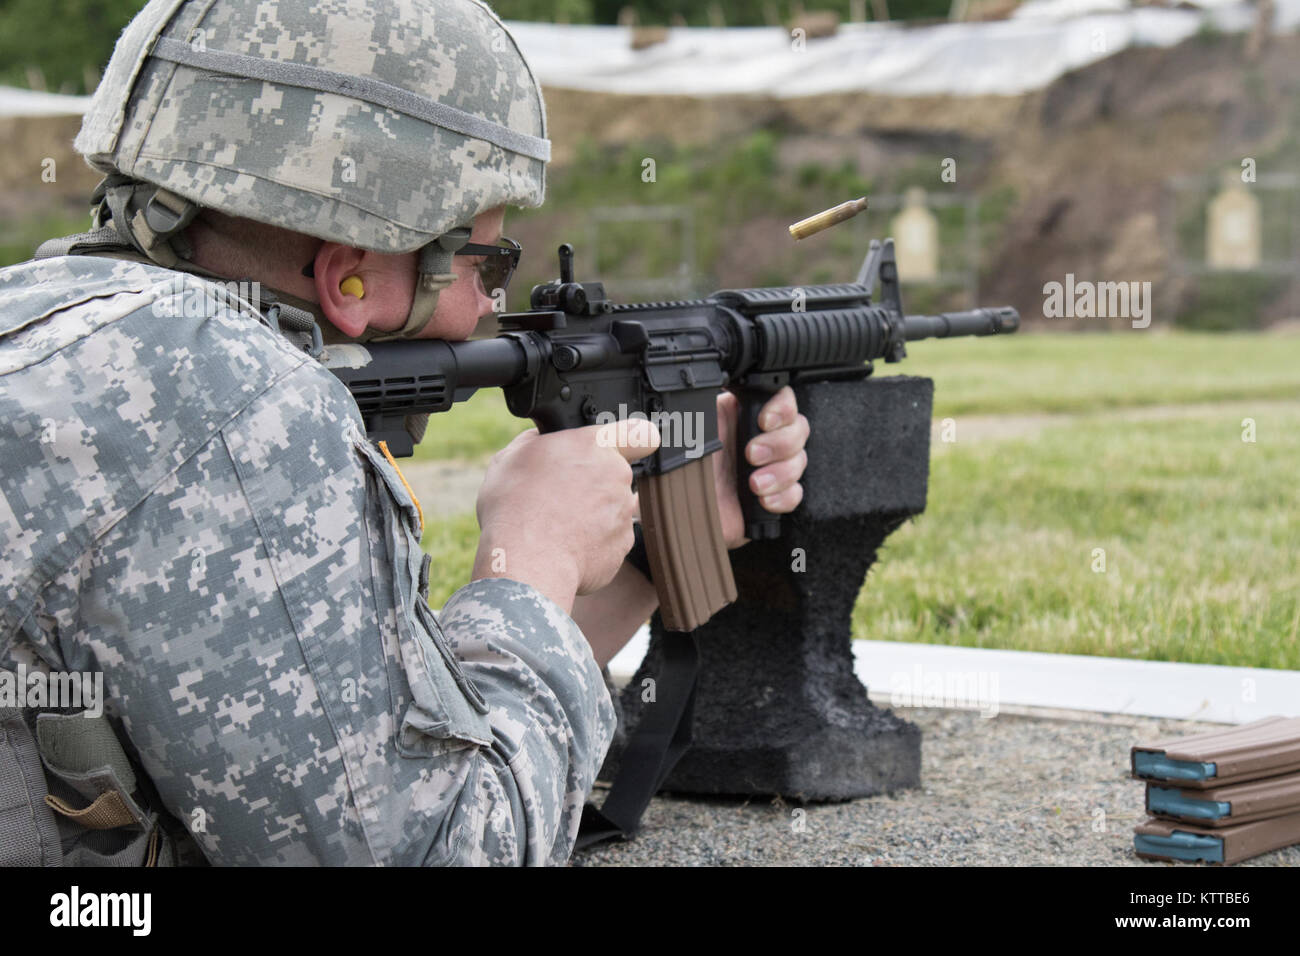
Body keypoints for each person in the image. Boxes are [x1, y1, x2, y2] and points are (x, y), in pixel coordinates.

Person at [0, 0, 809, 866]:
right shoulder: (236, 401)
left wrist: (639, 554)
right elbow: (428, 848)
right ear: (352, 280)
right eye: (489, 262)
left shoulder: (53, 323)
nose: (493, 306)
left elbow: (371, 751)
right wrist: (533, 558)